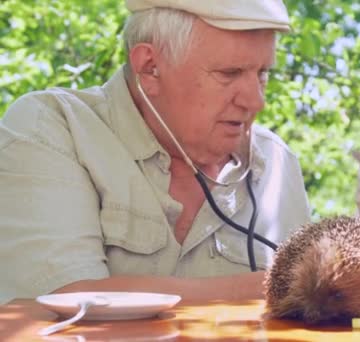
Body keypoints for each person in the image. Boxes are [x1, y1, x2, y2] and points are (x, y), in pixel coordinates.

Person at [0, 0, 311, 304]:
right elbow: (63, 305)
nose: (256, 102)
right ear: (149, 68)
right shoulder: (53, 129)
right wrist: (287, 287)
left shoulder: (276, 165)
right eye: (229, 73)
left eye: (263, 74)